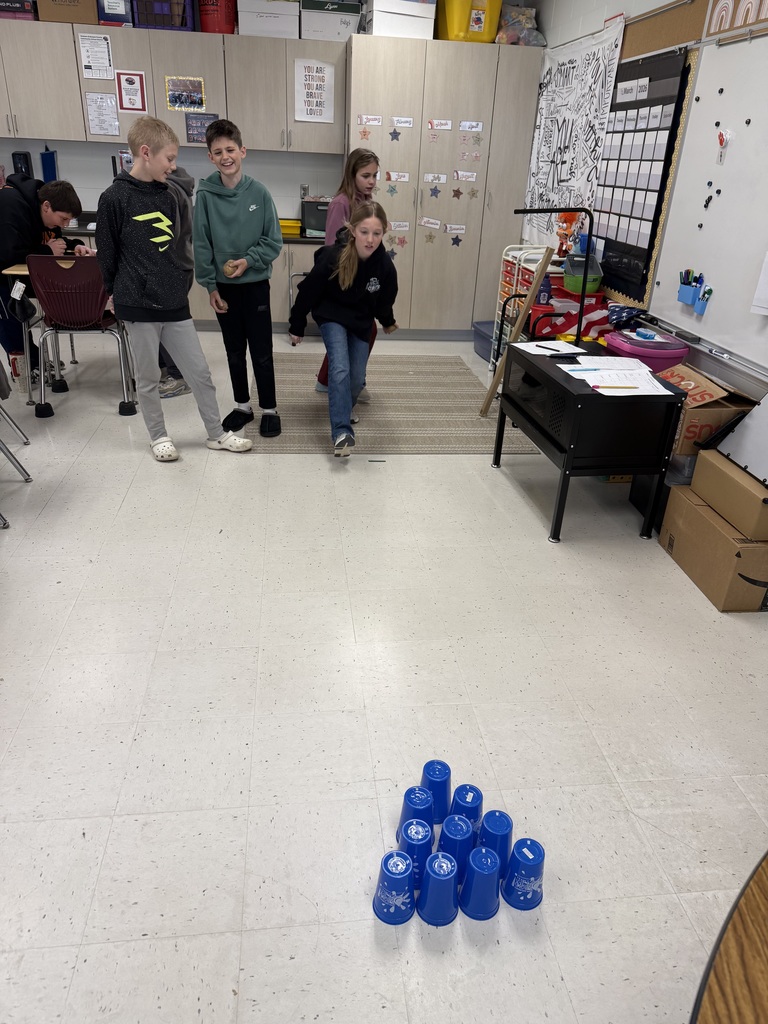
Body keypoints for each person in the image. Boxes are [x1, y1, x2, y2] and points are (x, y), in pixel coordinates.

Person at [96, 115, 252, 462]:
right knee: (149, 377)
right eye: (169, 158)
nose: (174, 165)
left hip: (173, 300)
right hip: (136, 303)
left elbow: (181, 246)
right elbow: (106, 254)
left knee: (199, 373)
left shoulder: (169, 195)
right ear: (146, 153)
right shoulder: (114, 198)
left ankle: (215, 433)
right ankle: (159, 436)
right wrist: (113, 293)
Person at [193, 118, 283, 437]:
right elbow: (202, 243)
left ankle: (269, 409)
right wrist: (209, 286)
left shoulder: (259, 193)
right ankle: (243, 406)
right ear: (210, 157)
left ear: (242, 151)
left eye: (230, 149)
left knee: (261, 350)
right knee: (233, 351)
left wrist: (249, 260)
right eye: (218, 152)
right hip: (224, 290)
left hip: (256, 286)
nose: (225, 156)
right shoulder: (204, 195)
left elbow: (273, 241)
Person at [288, 201, 398, 457]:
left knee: (357, 377)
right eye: (364, 232)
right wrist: (297, 324)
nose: (370, 240)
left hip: (360, 321)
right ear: (352, 229)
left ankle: (344, 405)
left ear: (385, 232)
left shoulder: (384, 267)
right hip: (332, 315)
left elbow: (385, 299)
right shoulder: (332, 257)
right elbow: (308, 292)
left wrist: (388, 321)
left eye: (377, 233)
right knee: (340, 367)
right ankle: (341, 431)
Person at [0, 176, 88, 373]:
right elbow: (9, 254)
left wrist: (75, 246)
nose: (64, 225)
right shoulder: (10, 204)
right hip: (2, 276)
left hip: (15, 277)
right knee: (10, 318)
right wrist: (47, 252)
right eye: (63, 219)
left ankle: (33, 362)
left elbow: (55, 242)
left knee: (20, 317)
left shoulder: (46, 214)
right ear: (46, 206)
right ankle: (26, 369)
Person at [313, 148, 380, 400]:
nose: (371, 181)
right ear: (352, 175)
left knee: (358, 331)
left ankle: (329, 380)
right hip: (344, 280)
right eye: (366, 176)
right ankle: (351, 382)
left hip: (363, 280)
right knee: (360, 330)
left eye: (374, 175)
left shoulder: (367, 202)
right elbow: (332, 248)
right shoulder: (341, 203)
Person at [158, 165, 196, 399]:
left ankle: (178, 377)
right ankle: (169, 372)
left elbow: (166, 239)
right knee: (163, 325)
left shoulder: (168, 191)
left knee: (166, 326)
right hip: (180, 264)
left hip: (172, 267)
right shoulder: (178, 187)